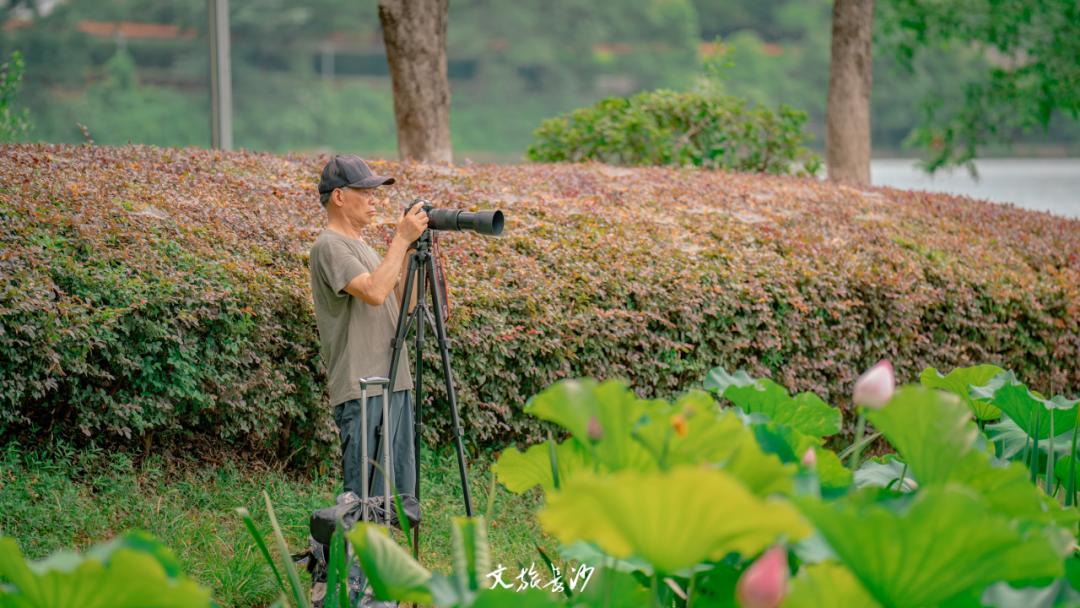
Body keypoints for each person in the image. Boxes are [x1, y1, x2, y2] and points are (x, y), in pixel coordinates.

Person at [308, 154, 428, 516]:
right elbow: (374, 292)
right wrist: (400, 239)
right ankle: (349, 572)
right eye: (366, 192)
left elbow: (403, 304)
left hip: (394, 381)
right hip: (362, 385)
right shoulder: (329, 246)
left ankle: (385, 569)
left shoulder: (364, 247)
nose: (373, 201)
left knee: (396, 500)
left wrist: (410, 250)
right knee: (365, 499)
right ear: (340, 197)